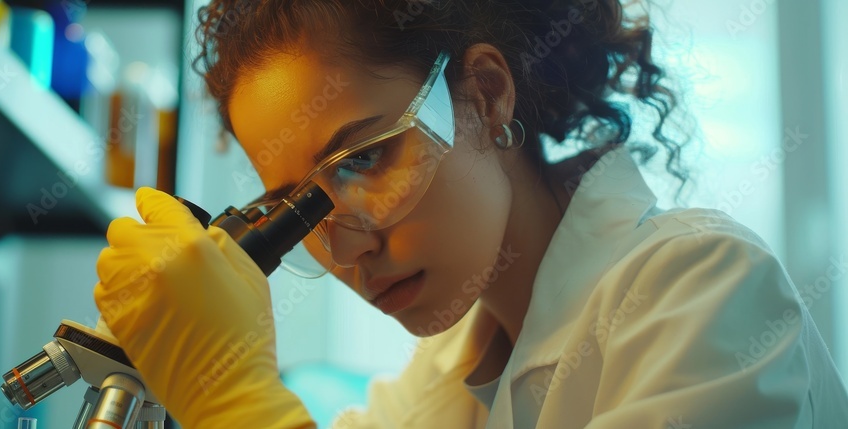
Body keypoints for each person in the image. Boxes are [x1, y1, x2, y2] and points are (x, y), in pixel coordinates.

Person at [93, 0, 848, 427]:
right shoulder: (446, 384)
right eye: (298, 210)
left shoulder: (705, 289)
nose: (347, 246)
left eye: (362, 158)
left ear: (483, 97)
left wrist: (231, 394)